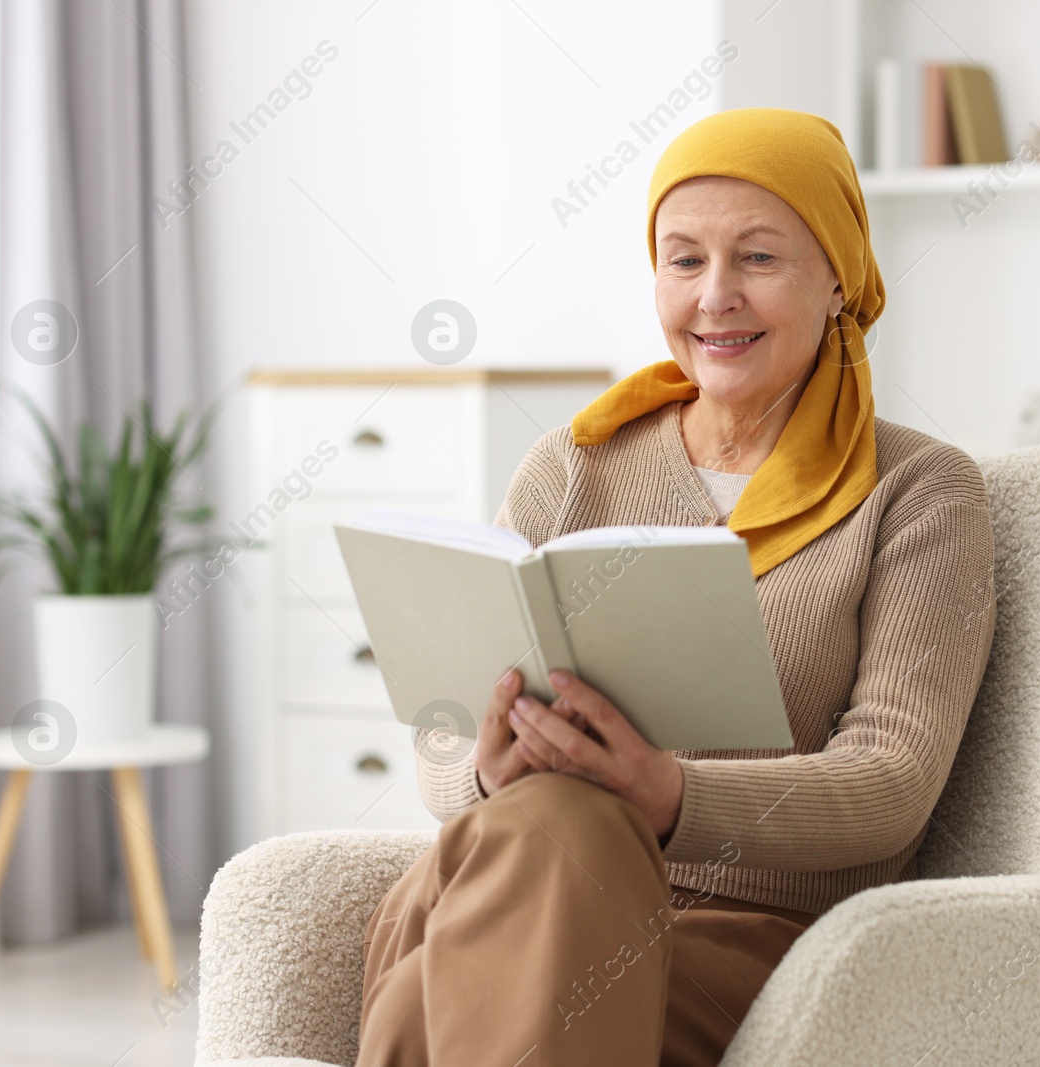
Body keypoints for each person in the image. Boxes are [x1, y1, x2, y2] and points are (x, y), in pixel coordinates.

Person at [356, 107, 997, 1066]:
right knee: (553, 823)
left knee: (420, 1006)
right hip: (510, 882)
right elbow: (443, 723)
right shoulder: (571, 466)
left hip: (748, 931)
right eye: (684, 259)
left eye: (759, 259)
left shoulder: (917, 490)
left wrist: (667, 795)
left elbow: (893, 782)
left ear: (838, 279)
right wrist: (486, 768)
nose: (715, 298)